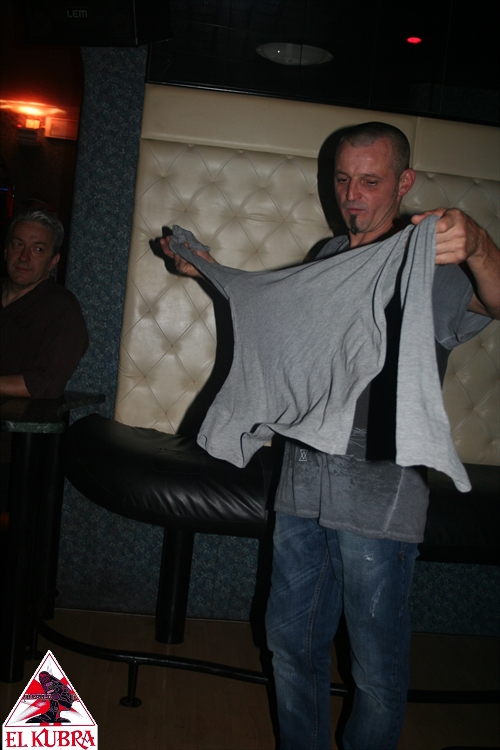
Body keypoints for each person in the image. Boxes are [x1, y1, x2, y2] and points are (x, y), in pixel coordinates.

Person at [160, 122, 500, 750]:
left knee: (374, 666)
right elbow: (273, 309)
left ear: (404, 181)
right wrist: (205, 268)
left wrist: (477, 243)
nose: (351, 194)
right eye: (343, 179)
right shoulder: (327, 254)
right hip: (303, 469)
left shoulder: (430, 258)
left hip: (380, 479)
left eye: (369, 180)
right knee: (290, 642)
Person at [0, 208, 89, 400]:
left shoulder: (62, 309)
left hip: (18, 416)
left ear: (53, 261)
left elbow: (45, 384)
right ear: (6, 251)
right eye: (18, 244)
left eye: (38, 249)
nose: (24, 257)